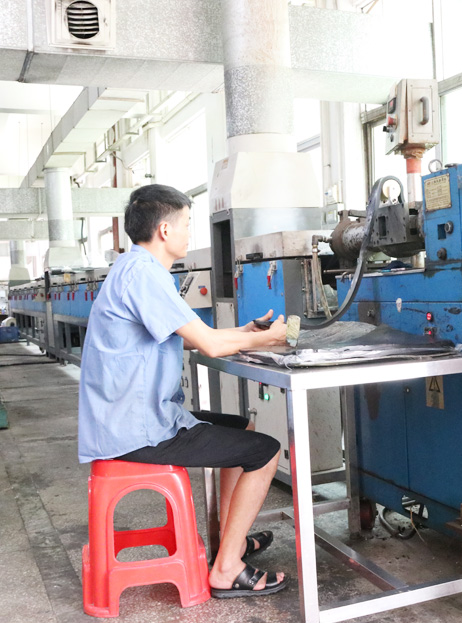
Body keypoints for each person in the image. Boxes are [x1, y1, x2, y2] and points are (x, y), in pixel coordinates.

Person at [78, 184, 289, 598]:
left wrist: (244, 332)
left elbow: (190, 335)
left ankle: (231, 542)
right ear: (164, 229)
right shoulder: (144, 275)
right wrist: (267, 339)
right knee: (266, 451)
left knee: (242, 429)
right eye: (187, 224)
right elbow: (209, 344)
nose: (190, 233)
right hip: (136, 430)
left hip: (132, 416)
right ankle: (226, 569)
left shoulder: (136, 268)